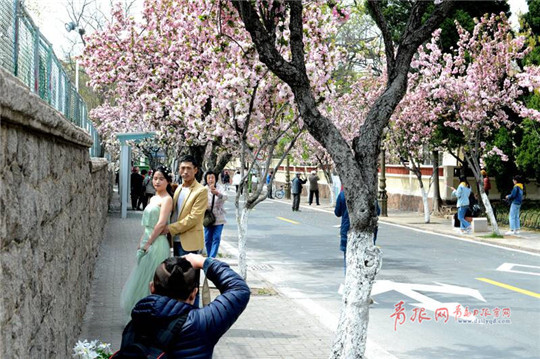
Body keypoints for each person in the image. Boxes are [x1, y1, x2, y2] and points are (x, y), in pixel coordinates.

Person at [114, 254, 250, 359]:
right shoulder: (202, 323)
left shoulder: (137, 317)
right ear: (193, 294)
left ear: (152, 288)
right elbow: (239, 289)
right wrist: (204, 262)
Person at [120, 166, 174, 317]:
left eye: (161, 179)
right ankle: (139, 312)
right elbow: (147, 225)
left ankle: (151, 314)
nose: (157, 181)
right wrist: (141, 241)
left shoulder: (167, 199)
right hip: (148, 239)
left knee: (152, 279)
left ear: (168, 181)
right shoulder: (153, 197)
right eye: (155, 178)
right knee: (142, 277)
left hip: (157, 243)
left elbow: (161, 223)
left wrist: (149, 243)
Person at [163, 155, 208, 257]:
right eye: (183, 168)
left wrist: (170, 228)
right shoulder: (179, 188)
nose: (185, 171)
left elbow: (194, 218)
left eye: (189, 168)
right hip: (175, 240)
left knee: (188, 272)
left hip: (189, 243)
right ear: (179, 170)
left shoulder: (201, 190)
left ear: (195, 170)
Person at [203, 170, 228, 258]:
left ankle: (212, 257)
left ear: (215, 179)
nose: (210, 180)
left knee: (216, 238)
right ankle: (209, 255)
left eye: (212, 178)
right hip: (207, 217)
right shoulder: (204, 189)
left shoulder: (220, 188)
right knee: (207, 239)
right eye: (208, 178)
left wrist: (217, 193)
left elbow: (225, 197)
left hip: (219, 217)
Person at [334, 187, 349, 274]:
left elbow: (337, 212)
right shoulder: (366, 193)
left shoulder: (343, 194)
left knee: (347, 258)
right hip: (364, 233)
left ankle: (347, 280)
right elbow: (377, 211)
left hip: (346, 229)